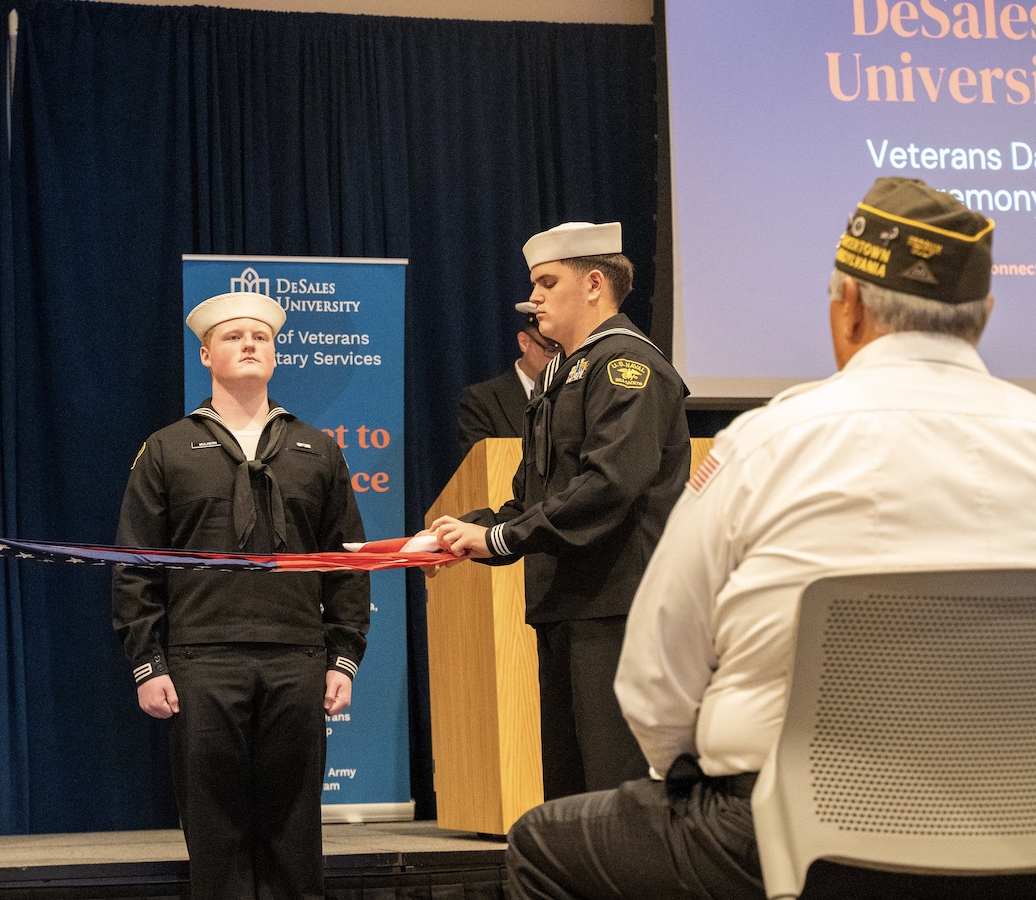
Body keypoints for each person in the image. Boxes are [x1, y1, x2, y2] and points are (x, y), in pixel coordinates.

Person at [504, 177, 1036, 899]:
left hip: (786, 835)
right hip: (1021, 832)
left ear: (847, 309)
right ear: (985, 315)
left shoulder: (765, 445)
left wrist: (684, 776)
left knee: (542, 844)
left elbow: (657, 675)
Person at [112, 291, 370, 900]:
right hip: (202, 661)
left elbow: (348, 562)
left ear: (277, 354)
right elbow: (133, 565)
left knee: (295, 833)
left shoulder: (317, 449)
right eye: (233, 336)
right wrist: (148, 663)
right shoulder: (167, 448)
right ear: (205, 354)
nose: (250, 344)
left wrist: (344, 657)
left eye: (262, 336)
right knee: (215, 834)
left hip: (296, 658)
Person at [429, 221, 690, 801]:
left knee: (617, 798)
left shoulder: (627, 366)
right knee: (572, 800)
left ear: (594, 284)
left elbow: (609, 487)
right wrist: (466, 532)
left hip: (620, 611)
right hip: (567, 606)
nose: (534, 298)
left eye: (547, 282)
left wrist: (501, 539)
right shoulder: (562, 373)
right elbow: (531, 502)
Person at [456, 303, 559, 456]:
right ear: (524, 342)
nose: (558, 359)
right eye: (551, 350)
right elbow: (481, 466)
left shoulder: (572, 394)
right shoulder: (482, 400)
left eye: (563, 351)